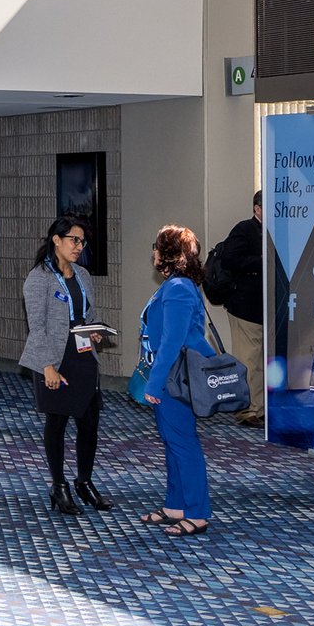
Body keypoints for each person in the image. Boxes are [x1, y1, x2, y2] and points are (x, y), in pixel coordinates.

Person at [19, 217, 111, 515]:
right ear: (56, 240)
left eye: (82, 242)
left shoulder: (82, 275)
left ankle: (84, 482)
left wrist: (94, 331)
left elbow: (87, 313)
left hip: (82, 355)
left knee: (89, 422)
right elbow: (37, 326)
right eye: (74, 240)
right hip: (54, 357)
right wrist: (46, 366)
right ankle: (59, 486)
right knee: (57, 422)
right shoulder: (39, 278)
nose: (78, 246)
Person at [139, 225, 213, 538]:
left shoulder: (179, 287)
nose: (153, 253)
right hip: (172, 373)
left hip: (175, 376)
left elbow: (172, 341)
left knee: (183, 444)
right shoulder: (177, 284)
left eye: (157, 247)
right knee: (173, 441)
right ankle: (176, 505)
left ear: (167, 253)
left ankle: (197, 513)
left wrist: (154, 384)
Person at [203, 190, 268, 428]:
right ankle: (247, 410)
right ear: (257, 209)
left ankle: (259, 407)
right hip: (245, 306)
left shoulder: (274, 231)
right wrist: (263, 259)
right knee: (248, 359)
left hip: (264, 308)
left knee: (260, 360)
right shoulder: (245, 229)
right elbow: (230, 259)